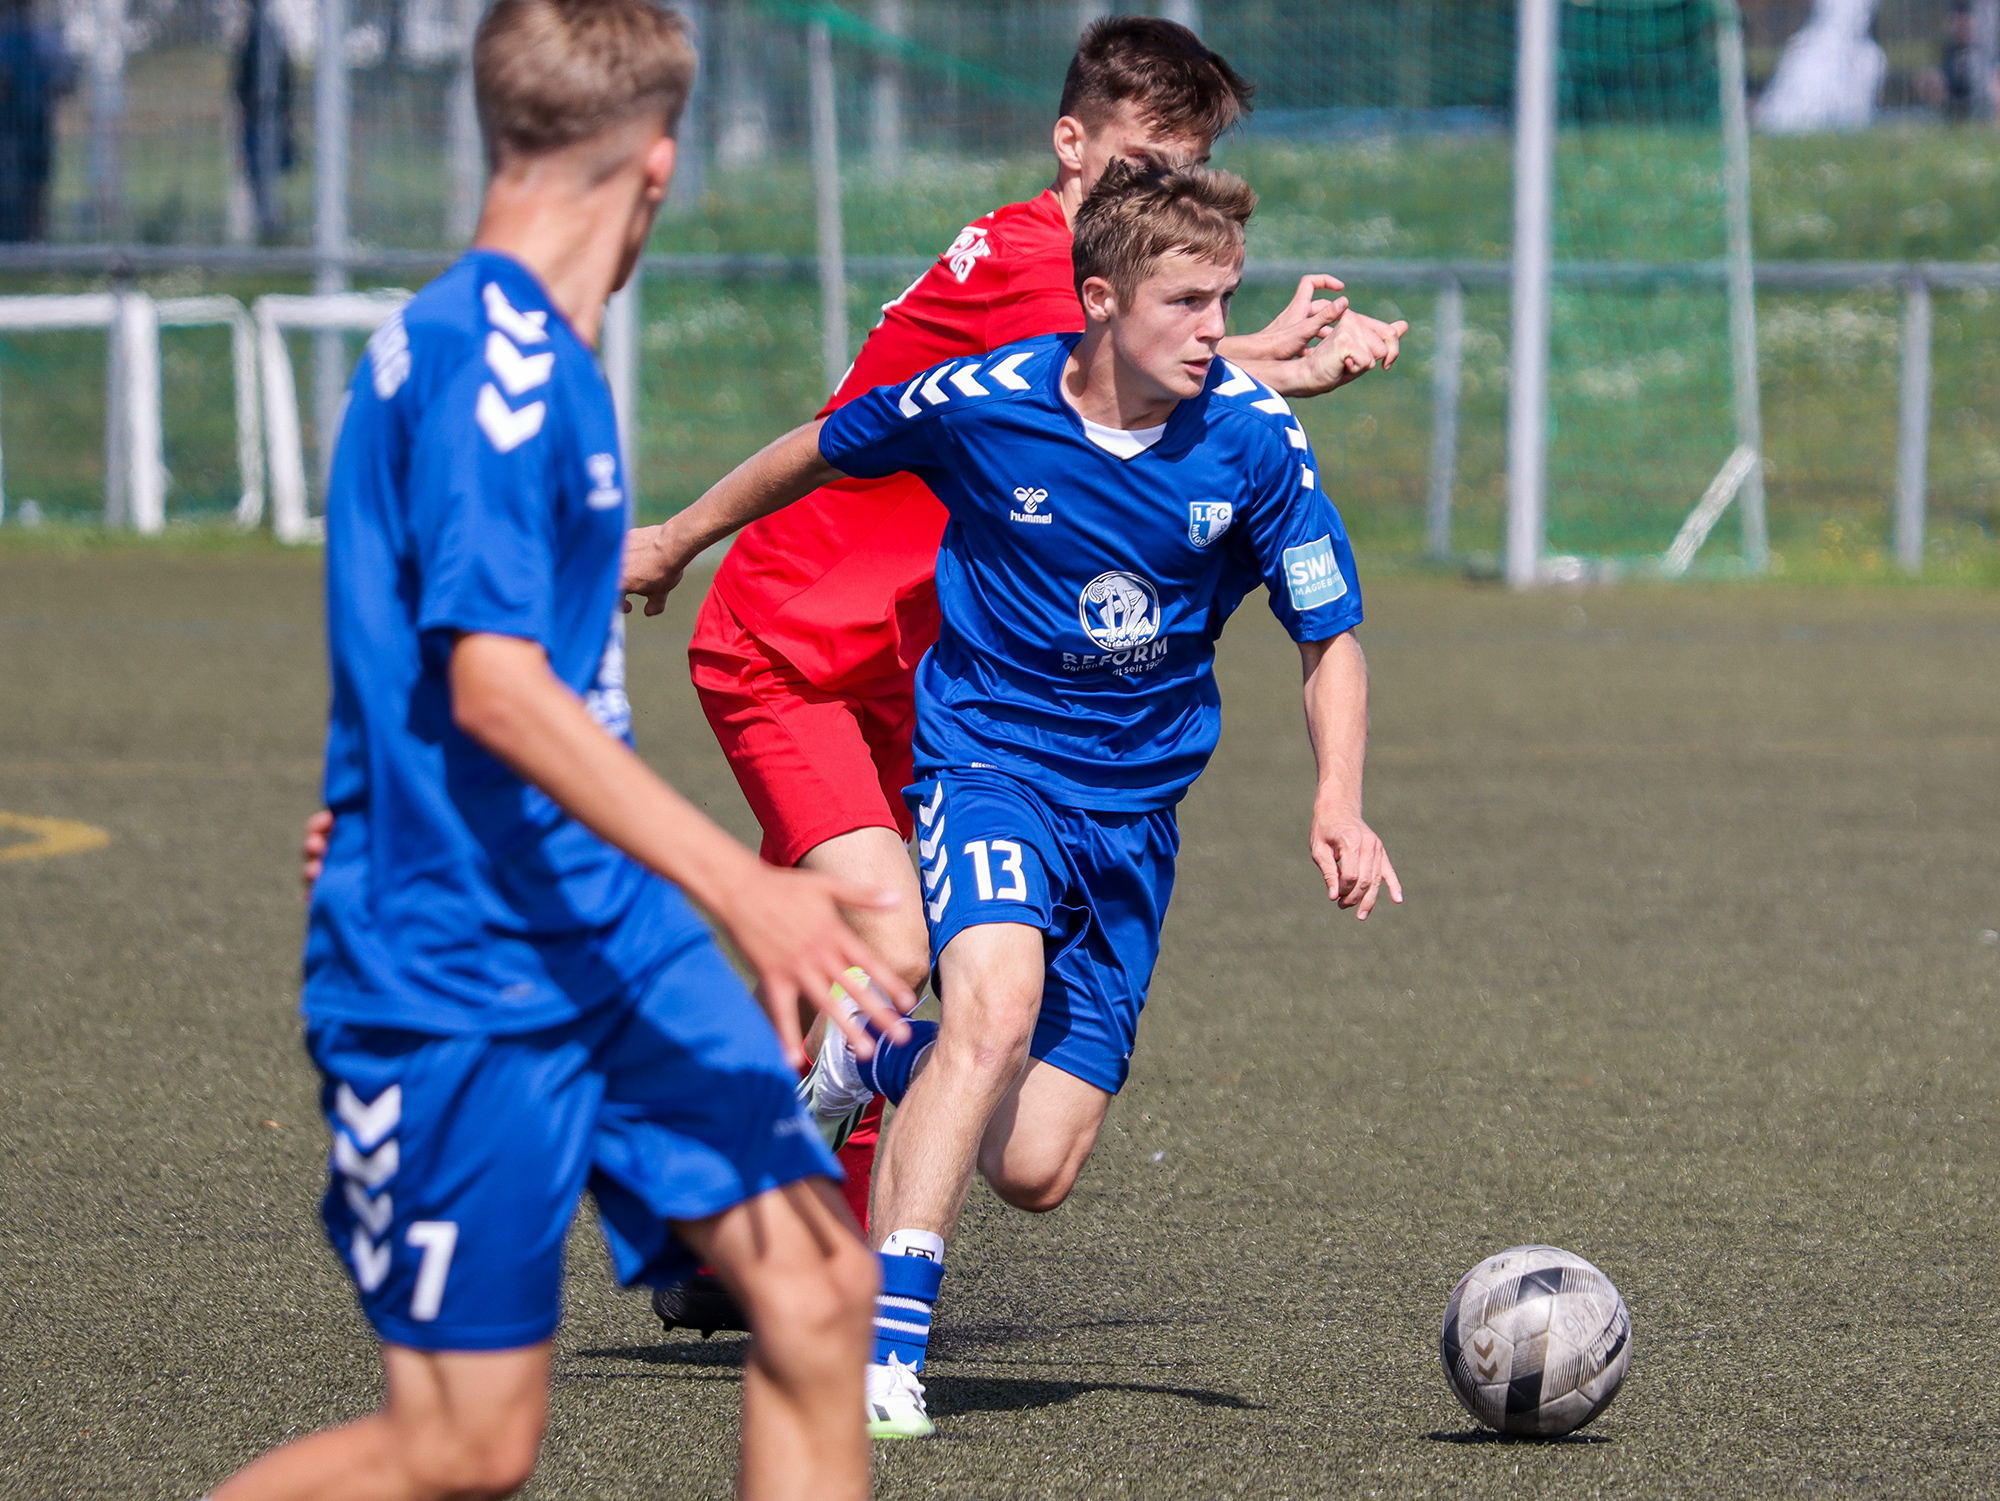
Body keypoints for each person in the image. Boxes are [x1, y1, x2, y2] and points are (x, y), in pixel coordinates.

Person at [214, 2, 914, 1498]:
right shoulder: (495, 360)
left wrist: (375, 796)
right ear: (655, 169)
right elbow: (496, 684)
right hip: (461, 970)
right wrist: (754, 888)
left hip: (605, 936)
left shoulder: (526, 347)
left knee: (815, 1297)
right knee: (468, 1447)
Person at [632, 16, 1403, 1336]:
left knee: (886, 989)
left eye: (1191, 163)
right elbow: (1108, 365)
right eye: (1148, 157)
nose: (1163, 190)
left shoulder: (1115, 274)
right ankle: (773, 1248)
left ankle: (754, 1241)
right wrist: (1288, 364)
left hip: (911, 668)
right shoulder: (1032, 252)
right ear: (1073, 145)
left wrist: (1277, 366)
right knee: (892, 939)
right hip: (791, 652)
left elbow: (1160, 376)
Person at [0, 0, 73, 243]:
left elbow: (66, 79)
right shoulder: (10, 38)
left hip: (35, 123)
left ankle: (34, 238)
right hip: (9, 124)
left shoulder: (43, 38)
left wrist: (47, 86)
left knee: (36, 180)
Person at [234, 0, 294, 243]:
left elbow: (285, 76)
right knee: (256, 173)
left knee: (268, 173)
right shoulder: (250, 35)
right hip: (256, 118)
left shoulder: (270, 34)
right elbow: (240, 78)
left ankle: (273, 224)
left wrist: (281, 106)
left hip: (271, 119)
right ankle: (266, 223)